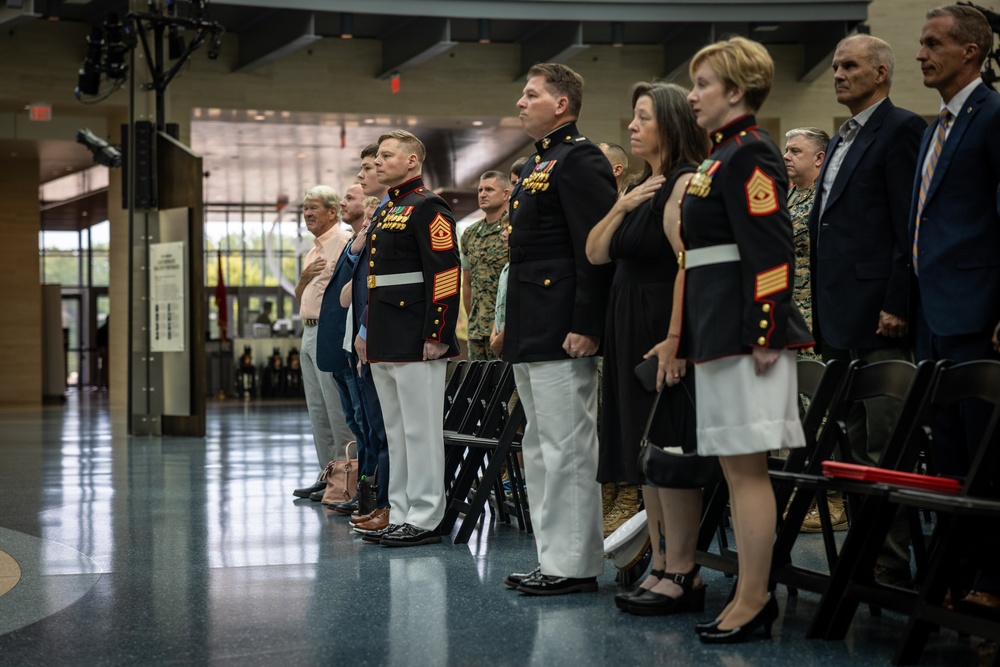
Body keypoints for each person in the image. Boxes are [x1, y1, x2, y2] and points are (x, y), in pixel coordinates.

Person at [650, 36, 812, 642]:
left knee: (747, 474)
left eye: (703, 85)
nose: (692, 96)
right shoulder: (720, 158)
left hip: (748, 337)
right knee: (733, 468)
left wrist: (765, 330)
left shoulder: (751, 154)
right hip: (719, 332)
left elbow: (771, 250)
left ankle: (752, 597)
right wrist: (684, 335)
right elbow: (702, 260)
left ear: (737, 91)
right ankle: (748, 595)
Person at [585, 81, 709, 614]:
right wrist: (620, 207)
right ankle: (660, 564)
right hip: (627, 322)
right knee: (646, 454)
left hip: (660, 322)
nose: (631, 127)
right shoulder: (642, 186)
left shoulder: (683, 182)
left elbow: (691, 266)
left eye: (642, 118)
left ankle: (684, 569)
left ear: (671, 124)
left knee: (668, 450)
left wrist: (676, 339)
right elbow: (595, 253)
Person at [809, 34, 926, 578]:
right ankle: (861, 554)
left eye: (850, 66)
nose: (838, 74)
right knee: (850, 447)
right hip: (839, 315)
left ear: (880, 73)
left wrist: (897, 301)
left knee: (882, 443)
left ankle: (889, 562)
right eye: (835, 66)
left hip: (881, 314)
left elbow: (909, 225)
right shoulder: (840, 139)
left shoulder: (900, 128)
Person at [502, 62, 617, 595]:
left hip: (563, 325)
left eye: (531, 95)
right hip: (533, 322)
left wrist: (588, 323)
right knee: (539, 446)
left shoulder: (580, 158)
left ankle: (574, 564)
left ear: (562, 104)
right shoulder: (535, 164)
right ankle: (553, 556)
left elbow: (593, 249)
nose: (521, 103)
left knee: (567, 447)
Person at [911, 4, 1000, 608]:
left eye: (933, 42)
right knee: (946, 457)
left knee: (986, 459)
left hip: (977, 314)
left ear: (970, 50)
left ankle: (992, 582)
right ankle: (956, 576)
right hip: (931, 314)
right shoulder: (933, 126)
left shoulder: (993, 117)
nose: (921, 53)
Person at [360, 129, 462, 547]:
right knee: (397, 431)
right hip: (386, 333)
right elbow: (377, 280)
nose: (378, 162)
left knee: (421, 431)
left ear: (412, 161)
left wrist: (438, 332)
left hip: (418, 335)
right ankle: (401, 511)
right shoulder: (388, 210)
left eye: (386, 156)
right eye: (378, 156)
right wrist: (369, 332)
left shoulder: (427, 207)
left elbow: (445, 272)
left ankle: (425, 516)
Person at [291, 186, 355, 500]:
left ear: (332, 211)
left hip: (329, 329)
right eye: (304, 209)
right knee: (317, 411)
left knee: (335, 408)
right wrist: (303, 280)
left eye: (313, 207)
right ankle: (327, 475)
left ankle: (345, 479)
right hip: (307, 330)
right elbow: (299, 294)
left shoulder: (343, 242)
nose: (307, 214)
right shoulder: (313, 250)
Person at [343, 145, 393, 534]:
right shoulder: (373, 224)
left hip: (383, 336)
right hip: (364, 338)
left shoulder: (398, 214)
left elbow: (383, 286)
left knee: (388, 429)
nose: (364, 174)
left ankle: (391, 504)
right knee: (372, 426)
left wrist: (365, 331)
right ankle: (379, 500)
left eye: (371, 167)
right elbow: (353, 286)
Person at [316, 183, 372, 514]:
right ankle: (362, 492)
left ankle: (369, 493)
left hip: (357, 344)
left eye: (349, 198)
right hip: (342, 344)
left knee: (366, 424)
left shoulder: (364, 240)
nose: (342, 202)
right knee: (355, 419)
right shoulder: (353, 241)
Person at [782, 127, 828, 348]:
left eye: (795, 151)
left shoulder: (826, 198)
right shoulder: (787, 195)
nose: (786, 156)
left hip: (814, 315)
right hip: (789, 311)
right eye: (786, 150)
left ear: (819, 158)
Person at [460, 171, 511, 360]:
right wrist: (472, 317)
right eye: (480, 190)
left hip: (503, 326)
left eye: (489, 189)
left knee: (507, 386)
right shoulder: (470, 234)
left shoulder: (512, 229)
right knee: (479, 385)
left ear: (506, 194)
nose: (483, 194)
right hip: (476, 327)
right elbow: (467, 282)